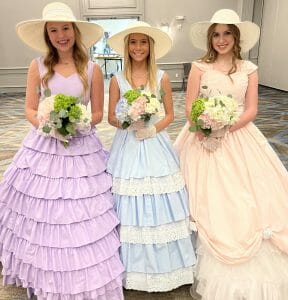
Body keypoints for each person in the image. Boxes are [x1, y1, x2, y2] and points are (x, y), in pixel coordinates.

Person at [0, 2, 124, 299]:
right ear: (47, 35)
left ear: (75, 31)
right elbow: (30, 109)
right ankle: (44, 267)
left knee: (81, 211)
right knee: (44, 210)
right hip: (44, 145)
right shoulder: (38, 65)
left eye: (65, 28)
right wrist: (47, 122)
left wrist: (78, 122)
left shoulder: (91, 68)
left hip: (82, 146)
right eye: (53, 30)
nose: (60, 35)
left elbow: (96, 114)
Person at [174, 8, 288, 300]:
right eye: (216, 34)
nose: (221, 40)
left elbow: (251, 109)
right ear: (210, 38)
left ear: (236, 38)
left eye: (227, 34)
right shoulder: (199, 66)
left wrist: (226, 127)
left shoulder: (248, 68)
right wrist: (204, 126)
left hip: (239, 134)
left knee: (247, 193)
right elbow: (189, 106)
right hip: (201, 134)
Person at [106, 21, 196, 292]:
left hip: (155, 143)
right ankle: (132, 268)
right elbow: (110, 116)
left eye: (143, 42)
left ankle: (167, 266)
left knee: (161, 196)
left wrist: (152, 128)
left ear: (150, 46)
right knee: (127, 197)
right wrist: (127, 122)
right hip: (127, 144)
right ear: (126, 47)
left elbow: (170, 114)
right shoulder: (117, 79)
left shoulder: (162, 77)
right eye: (133, 42)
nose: (138, 47)